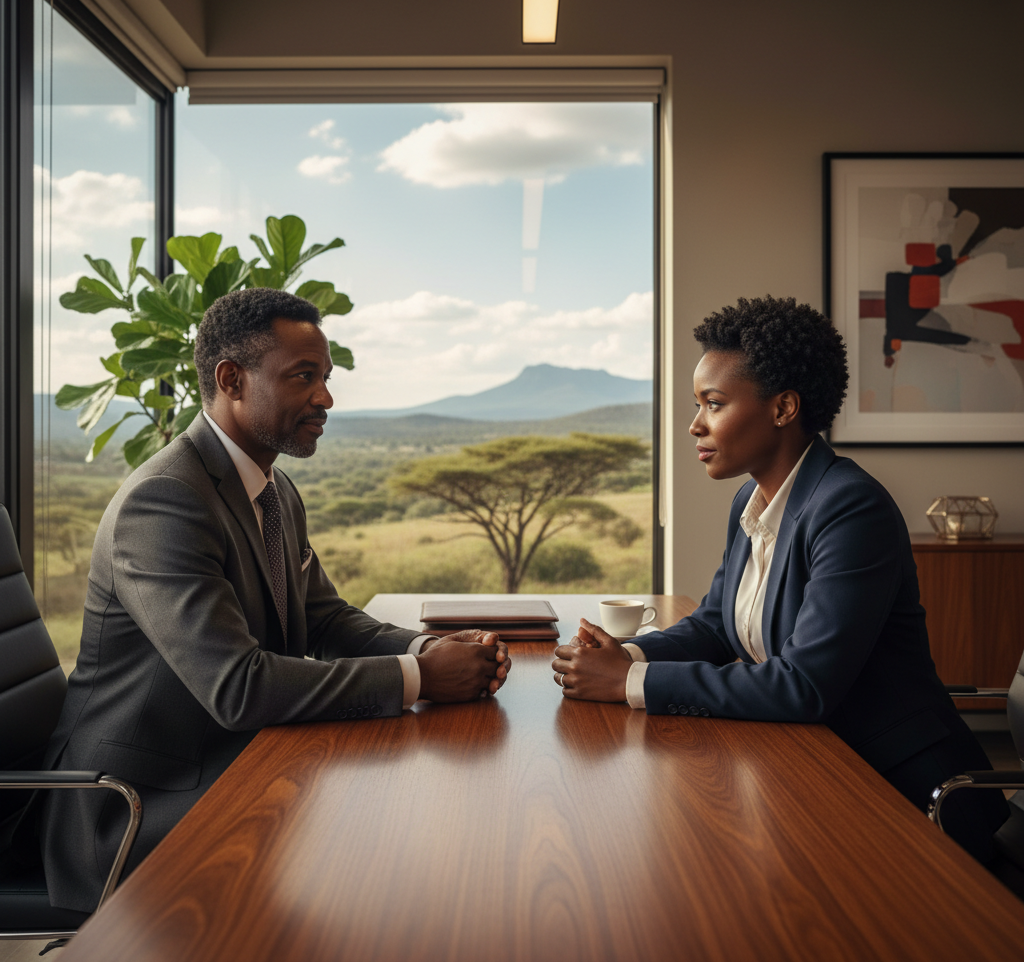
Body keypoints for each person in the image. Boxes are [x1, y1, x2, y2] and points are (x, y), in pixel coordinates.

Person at [35, 287, 511, 912]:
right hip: (131, 805)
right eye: (303, 377)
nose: (326, 398)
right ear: (231, 380)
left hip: (235, 759)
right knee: (377, 856)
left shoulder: (273, 488)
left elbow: (324, 617)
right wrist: (420, 678)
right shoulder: (165, 501)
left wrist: (429, 649)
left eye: (326, 377)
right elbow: (239, 687)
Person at [551, 295, 1007, 862]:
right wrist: (626, 654)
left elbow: (804, 685)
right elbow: (716, 626)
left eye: (713, 404)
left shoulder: (850, 508)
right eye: (698, 405)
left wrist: (628, 682)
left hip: (902, 793)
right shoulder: (753, 498)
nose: (695, 424)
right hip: (816, 762)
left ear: (783, 408)